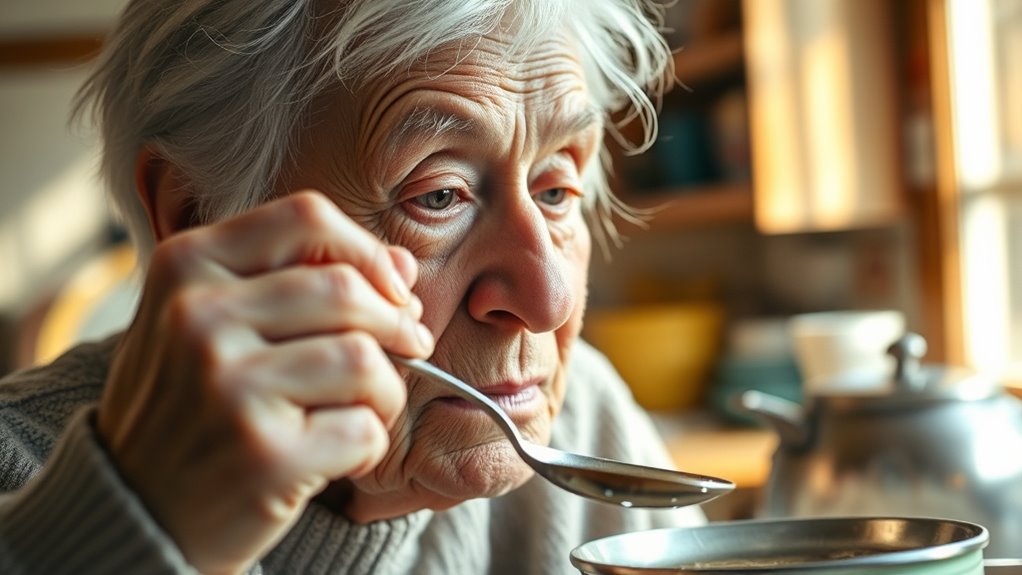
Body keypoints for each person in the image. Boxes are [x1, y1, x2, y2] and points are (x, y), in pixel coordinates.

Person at [0, 0, 707, 573]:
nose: (548, 301)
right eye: (438, 195)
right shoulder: (20, 474)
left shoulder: (584, 416)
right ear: (199, 220)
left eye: (555, 191)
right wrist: (145, 530)